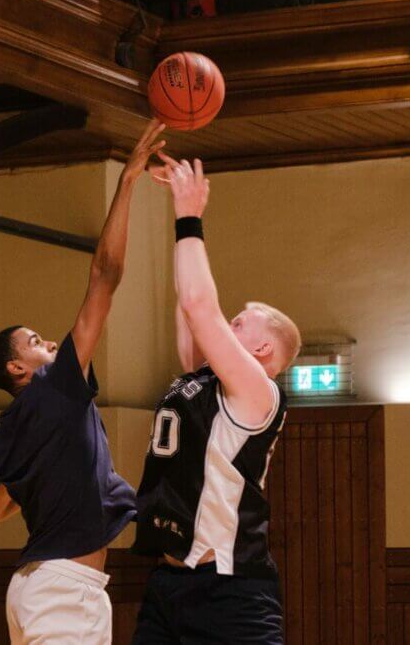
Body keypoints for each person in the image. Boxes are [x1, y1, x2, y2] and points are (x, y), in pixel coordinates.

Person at [0, 120, 167, 645]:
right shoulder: (56, 387)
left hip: (41, 586)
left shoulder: (8, 428)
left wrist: (38, 478)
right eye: (36, 340)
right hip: (64, 588)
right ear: (18, 368)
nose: (51, 344)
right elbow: (105, 274)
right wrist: (126, 182)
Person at [131, 154, 301, 644]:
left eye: (242, 321)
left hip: (230, 592)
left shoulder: (258, 393)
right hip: (169, 582)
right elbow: (191, 308)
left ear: (262, 349)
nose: (231, 322)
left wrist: (190, 214)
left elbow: (199, 305)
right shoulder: (203, 380)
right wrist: (175, 211)